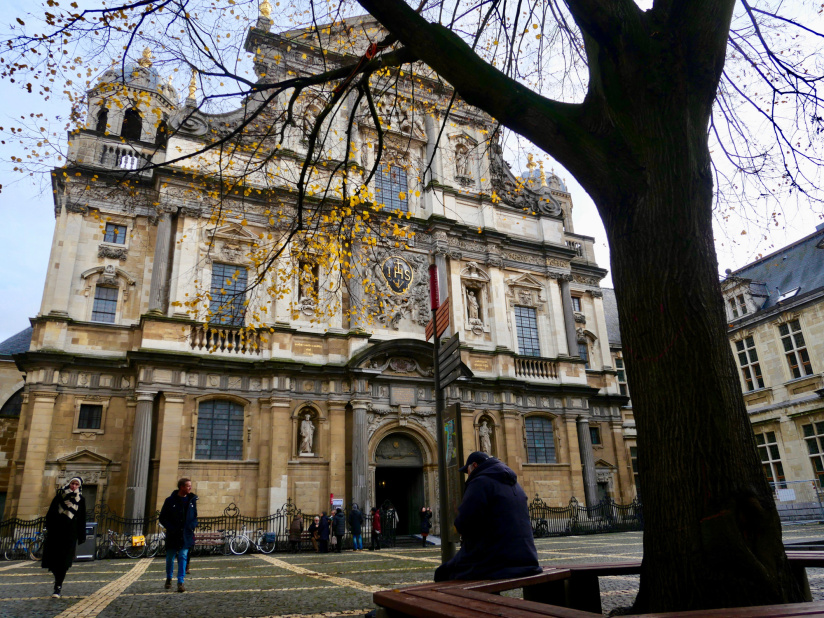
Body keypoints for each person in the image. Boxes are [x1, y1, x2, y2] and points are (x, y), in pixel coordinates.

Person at [434, 452, 541, 582]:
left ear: (474, 465)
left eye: (468, 471)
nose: (468, 475)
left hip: (496, 561)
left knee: (442, 574)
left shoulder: (480, 481)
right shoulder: (514, 484)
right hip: (527, 560)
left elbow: (464, 521)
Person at [41, 477, 87, 598]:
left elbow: (82, 518)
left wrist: (81, 535)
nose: (74, 486)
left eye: (76, 484)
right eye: (72, 483)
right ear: (69, 484)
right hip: (56, 532)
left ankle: (58, 586)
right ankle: (57, 579)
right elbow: (50, 513)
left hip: (70, 534)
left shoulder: (81, 500)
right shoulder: (60, 496)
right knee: (54, 561)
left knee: (64, 562)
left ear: (79, 486)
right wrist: (49, 527)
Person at [159, 477, 198, 593]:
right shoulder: (170, 501)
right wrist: (171, 528)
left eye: (190, 486)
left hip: (186, 534)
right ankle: (169, 578)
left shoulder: (192, 501)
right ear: (181, 487)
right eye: (188, 486)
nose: (190, 488)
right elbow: (162, 518)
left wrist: (192, 526)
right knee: (170, 558)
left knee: (183, 556)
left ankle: (180, 582)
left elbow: (194, 517)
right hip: (173, 535)